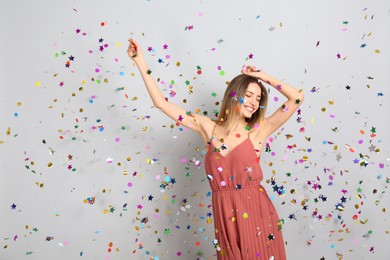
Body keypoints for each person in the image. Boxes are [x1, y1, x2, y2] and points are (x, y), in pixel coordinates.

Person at [127, 38, 304, 260]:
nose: (253, 102)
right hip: (225, 216)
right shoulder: (208, 128)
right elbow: (161, 104)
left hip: (257, 215)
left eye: (258, 98)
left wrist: (262, 77)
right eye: (248, 95)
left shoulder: (260, 130)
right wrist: (140, 63)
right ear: (233, 94)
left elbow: (297, 97)